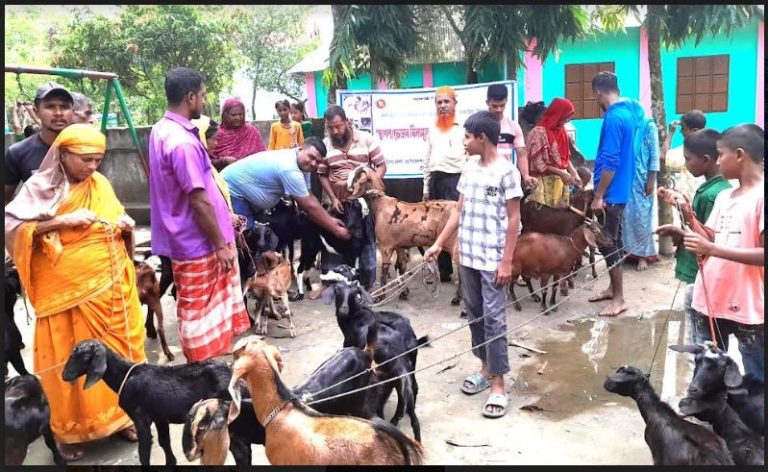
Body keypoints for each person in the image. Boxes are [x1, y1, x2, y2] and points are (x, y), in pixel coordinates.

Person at [4, 124, 145, 461]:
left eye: (98, 159)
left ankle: (123, 416)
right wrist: (61, 223)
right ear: (63, 154)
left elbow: (115, 214)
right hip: (66, 291)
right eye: (85, 159)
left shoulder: (101, 184)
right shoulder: (41, 187)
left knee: (121, 351)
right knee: (67, 357)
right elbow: (14, 228)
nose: (93, 166)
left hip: (113, 288)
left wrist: (125, 224)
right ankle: (67, 431)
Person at [148, 67, 250, 362]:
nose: (204, 102)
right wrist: (220, 244)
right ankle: (202, 371)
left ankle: (209, 367)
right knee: (200, 314)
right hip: (199, 242)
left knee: (208, 311)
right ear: (190, 97)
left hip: (192, 238)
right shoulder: (182, 143)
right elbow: (198, 200)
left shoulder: (161, 130)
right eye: (203, 96)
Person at [425, 111, 522, 419]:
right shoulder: (469, 169)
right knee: (476, 316)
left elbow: (514, 219)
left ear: (482, 138)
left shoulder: (508, 172)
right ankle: (484, 368)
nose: (464, 142)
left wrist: (507, 261)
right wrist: (439, 243)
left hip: (493, 260)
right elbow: (458, 212)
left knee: (495, 320)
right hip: (467, 257)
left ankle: (498, 384)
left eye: (467, 137)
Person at [678, 124, 764, 381]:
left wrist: (712, 249)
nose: (717, 161)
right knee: (708, 370)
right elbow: (710, 237)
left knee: (756, 376)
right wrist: (686, 214)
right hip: (711, 298)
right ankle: (710, 416)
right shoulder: (725, 196)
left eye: (721, 154)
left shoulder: (760, 197)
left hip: (748, 305)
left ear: (740, 155)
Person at [656, 129, 731, 344]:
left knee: (703, 339)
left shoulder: (713, 195)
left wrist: (681, 229)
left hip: (704, 274)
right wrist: (683, 208)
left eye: (688, 159)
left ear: (707, 160)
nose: (686, 164)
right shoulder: (708, 189)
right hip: (701, 272)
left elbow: (709, 240)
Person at [588, 71, 644, 317]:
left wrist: (599, 195)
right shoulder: (628, 114)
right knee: (614, 241)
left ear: (598, 92)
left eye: (595, 96)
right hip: (620, 190)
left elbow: (610, 161)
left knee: (609, 243)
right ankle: (613, 288)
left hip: (611, 194)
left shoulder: (613, 118)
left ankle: (619, 298)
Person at [221, 138, 350, 241]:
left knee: (258, 239)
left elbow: (309, 196)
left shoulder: (302, 165)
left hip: (246, 197)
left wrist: (328, 218)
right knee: (246, 240)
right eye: (311, 157)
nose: (313, 164)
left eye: (318, 161)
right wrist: (336, 230)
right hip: (233, 191)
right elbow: (308, 206)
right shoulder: (289, 168)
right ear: (300, 149)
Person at [319, 105, 386, 290]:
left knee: (366, 240)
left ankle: (366, 283)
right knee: (334, 239)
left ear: (347, 122)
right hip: (338, 202)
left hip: (363, 202)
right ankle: (332, 285)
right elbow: (322, 174)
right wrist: (333, 198)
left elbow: (381, 166)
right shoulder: (325, 145)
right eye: (330, 128)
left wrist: (368, 181)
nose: (335, 131)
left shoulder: (367, 139)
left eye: (338, 126)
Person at [422, 86, 468, 282]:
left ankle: (462, 269)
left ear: (454, 104)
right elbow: (427, 160)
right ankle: (444, 270)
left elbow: (470, 158)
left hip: (456, 181)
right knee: (437, 226)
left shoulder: (464, 129)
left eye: (446, 102)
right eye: (439, 102)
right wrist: (425, 187)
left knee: (457, 225)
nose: (442, 106)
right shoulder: (432, 130)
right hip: (435, 181)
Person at [5, 83, 74, 205]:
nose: (58, 112)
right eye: (50, 106)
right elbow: (6, 198)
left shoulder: (86, 147)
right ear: (36, 112)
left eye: (64, 106)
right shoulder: (18, 152)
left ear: (72, 111)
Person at [525, 97, 582, 207]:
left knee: (560, 217)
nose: (568, 120)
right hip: (543, 184)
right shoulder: (538, 133)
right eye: (566, 117)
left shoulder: (561, 131)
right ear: (558, 114)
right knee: (545, 217)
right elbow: (538, 164)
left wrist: (574, 174)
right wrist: (562, 173)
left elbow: (565, 158)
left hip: (561, 181)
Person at [622, 111, 660, 271]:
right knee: (626, 217)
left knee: (642, 217)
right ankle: (630, 252)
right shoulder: (627, 126)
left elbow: (655, 155)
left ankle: (643, 256)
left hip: (643, 179)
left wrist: (651, 179)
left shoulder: (649, 126)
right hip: (626, 177)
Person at [486, 83, 537, 190]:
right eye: (495, 106)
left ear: (506, 102)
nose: (499, 109)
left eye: (502, 105)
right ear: (487, 103)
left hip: (506, 179)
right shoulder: (479, 125)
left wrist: (526, 176)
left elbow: (521, 153)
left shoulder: (513, 126)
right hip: (484, 178)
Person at [661, 110, 706, 199]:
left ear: (694, 130)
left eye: (683, 128)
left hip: (690, 197)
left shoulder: (686, 150)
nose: (681, 132)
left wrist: (670, 133)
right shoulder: (712, 145)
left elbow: (664, 156)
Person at [212, 97, 266, 169]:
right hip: (223, 178)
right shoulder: (216, 134)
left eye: (240, 114)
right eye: (233, 115)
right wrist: (223, 161)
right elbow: (206, 161)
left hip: (252, 176)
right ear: (225, 115)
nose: (238, 118)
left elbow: (262, 157)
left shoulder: (251, 131)